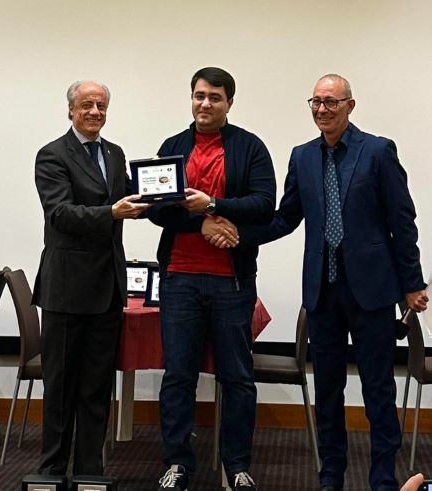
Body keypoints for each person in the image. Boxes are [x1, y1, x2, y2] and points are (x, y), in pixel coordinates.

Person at [220, 74, 428, 490]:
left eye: (331, 102)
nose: (322, 110)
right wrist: (239, 232)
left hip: (371, 291)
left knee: (378, 390)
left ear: (350, 106)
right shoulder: (302, 157)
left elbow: (402, 222)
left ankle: (382, 480)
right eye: (315, 102)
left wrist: (412, 282)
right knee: (328, 391)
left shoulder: (378, 151)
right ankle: (330, 477)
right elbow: (285, 218)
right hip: (322, 292)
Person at [146, 67, 276, 490]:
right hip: (179, 279)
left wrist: (214, 204)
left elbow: (264, 204)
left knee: (237, 377)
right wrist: (201, 222)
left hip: (231, 283)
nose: (205, 103)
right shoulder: (173, 147)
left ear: (229, 103)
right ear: (191, 99)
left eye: (215, 97)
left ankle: (236, 465)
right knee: (178, 376)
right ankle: (177, 463)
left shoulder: (250, 147)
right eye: (199, 95)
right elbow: (156, 209)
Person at [32, 80, 149, 476]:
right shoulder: (52, 155)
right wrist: (111, 213)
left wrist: (166, 192)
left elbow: (132, 199)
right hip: (66, 291)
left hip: (108, 289)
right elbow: (60, 214)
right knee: (61, 388)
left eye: (101, 105)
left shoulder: (114, 154)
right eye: (87, 105)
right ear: (71, 110)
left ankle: (88, 472)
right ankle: (51, 472)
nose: (95, 112)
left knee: (97, 389)